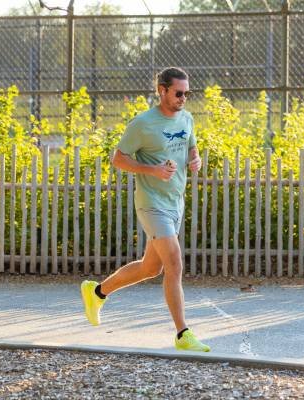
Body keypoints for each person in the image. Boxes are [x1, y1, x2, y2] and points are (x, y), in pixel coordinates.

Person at [80, 67, 209, 352]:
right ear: (162, 90)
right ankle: (183, 334)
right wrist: (153, 170)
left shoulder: (187, 118)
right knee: (174, 262)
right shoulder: (142, 124)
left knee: (151, 268)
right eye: (178, 93)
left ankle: (97, 292)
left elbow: (192, 148)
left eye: (187, 93)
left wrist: (195, 160)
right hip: (151, 203)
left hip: (175, 202)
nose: (183, 98)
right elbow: (118, 159)